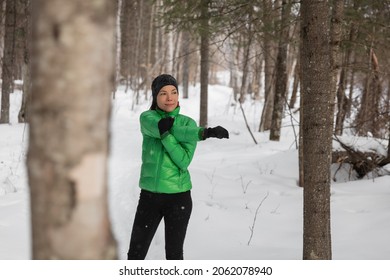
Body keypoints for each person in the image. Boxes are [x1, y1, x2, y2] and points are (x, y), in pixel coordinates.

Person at [127, 74, 229, 260]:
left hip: (179, 199)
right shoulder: (147, 118)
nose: (169, 98)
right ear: (155, 97)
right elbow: (167, 128)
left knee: (174, 256)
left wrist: (167, 135)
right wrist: (204, 133)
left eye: (173, 92)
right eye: (163, 93)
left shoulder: (188, 124)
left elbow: (183, 161)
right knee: (135, 254)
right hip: (149, 198)